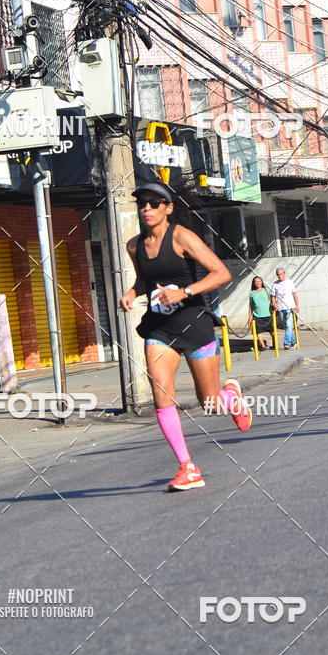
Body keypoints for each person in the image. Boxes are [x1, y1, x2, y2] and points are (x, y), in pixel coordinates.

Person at [119, 182, 253, 492]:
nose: (147, 208)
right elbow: (144, 279)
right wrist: (130, 292)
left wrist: (185, 291)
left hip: (194, 322)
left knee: (209, 403)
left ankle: (230, 397)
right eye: (143, 203)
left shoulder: (182, 237)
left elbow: (221, 273)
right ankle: (187, 466)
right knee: (161, 395)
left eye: (154, 203)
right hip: (159, 328)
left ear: (168, 208)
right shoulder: (134, 245)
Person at [271, 267, 299, 349]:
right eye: (278, 274)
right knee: (286, 326)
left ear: (284, 273)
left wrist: (297, 305)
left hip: (289, 307)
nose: (280, 276)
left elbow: (294, 294)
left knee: (289, 326)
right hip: (280, 308)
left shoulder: (290, 282)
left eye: (281, 274)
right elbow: (273, 296)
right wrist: (274, 303)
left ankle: (286, 343)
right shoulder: (275, 284)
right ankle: (294, 342)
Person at [248, 276, 273, 350]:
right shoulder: (252, 293)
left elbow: (273, 300)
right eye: (256, 281)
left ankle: (274, 343)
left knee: (272, 331)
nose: (258, 283)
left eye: (259, 281)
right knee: (258, 332)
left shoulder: (267, 290)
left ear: (262, 282)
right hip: (257, 315)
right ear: (254, 283)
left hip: (268, 314)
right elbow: (250, 306)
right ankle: (263, 345)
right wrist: (249, 317)